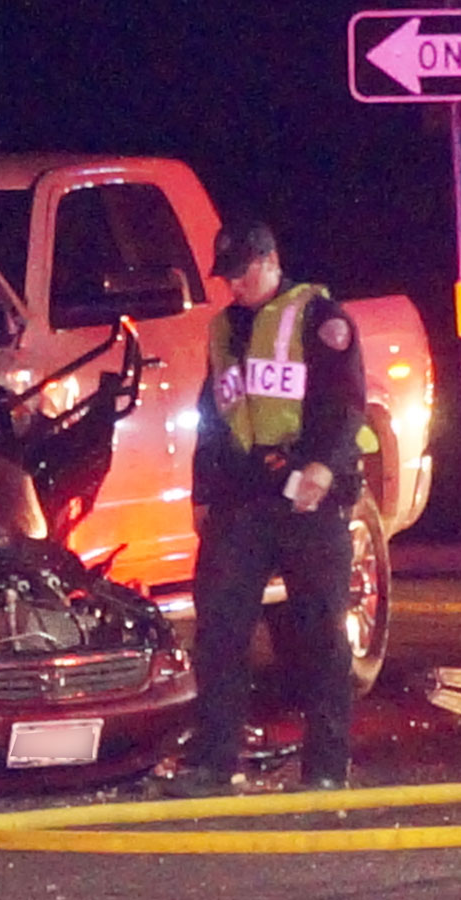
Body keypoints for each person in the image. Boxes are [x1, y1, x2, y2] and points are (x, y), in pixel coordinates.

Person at [163, 220, 367, 797]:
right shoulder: (223, 330)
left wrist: (323, 466)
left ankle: (326, 767)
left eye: (242, 272)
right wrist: (203, 494)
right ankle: (214, 762)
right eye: (227, 275)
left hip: (309, 499)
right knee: (220, 631)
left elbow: (346, 403)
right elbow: (213, 415)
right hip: (242, 497)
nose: (234, 285)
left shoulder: (320, 319)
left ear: (271, 260)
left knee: (319, 636)